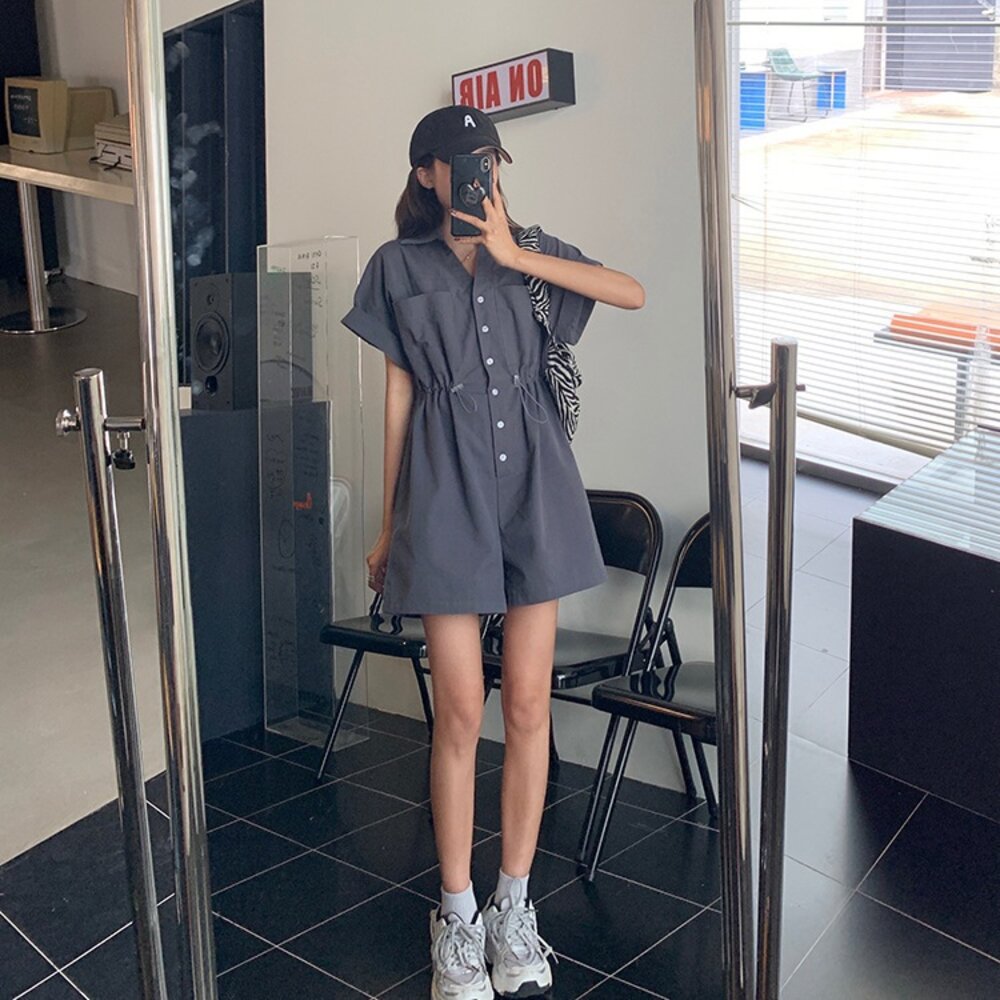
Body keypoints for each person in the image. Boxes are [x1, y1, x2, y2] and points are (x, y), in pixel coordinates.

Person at [341, 105, 645, 1000]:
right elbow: (399, 398)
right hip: (443, 495)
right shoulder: (395, 266)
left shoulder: (535, 250)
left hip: (534, 491)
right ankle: (457, 914)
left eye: (492, 158)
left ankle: (515, 904)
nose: (484, 173)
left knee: (528, 706)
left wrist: (514, 253)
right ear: (427, 172)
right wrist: (390, 524)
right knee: (460, 710)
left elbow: (631, 291)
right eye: (465, 160)